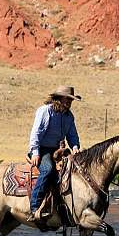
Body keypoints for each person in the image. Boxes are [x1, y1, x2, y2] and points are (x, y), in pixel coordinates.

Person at [27, 85, 81, 222]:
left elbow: (72, 135)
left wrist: (75, 147)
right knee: (48, 169)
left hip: (58, 151)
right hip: (42, 149)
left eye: (71, 100)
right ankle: (34, 207)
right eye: (67, 99)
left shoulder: (69, 116)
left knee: (74, 170)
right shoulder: (45, 111)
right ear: (59, 98)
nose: (69, 102)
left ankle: (64, 206)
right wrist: (35, 152)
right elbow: (36, 132)